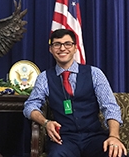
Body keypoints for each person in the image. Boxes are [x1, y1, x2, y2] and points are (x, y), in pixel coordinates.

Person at [23, 29, 127, 157]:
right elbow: (30, 106)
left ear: (75, 48)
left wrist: (114, 136)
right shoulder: (44, 77)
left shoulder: (95, 73)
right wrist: (46, 122)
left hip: (94, 137)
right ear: (51, 49)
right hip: (64, 139)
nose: (62, 48)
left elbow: (110, 107)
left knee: (117, 154)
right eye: (57, 44)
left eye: (67, 44)